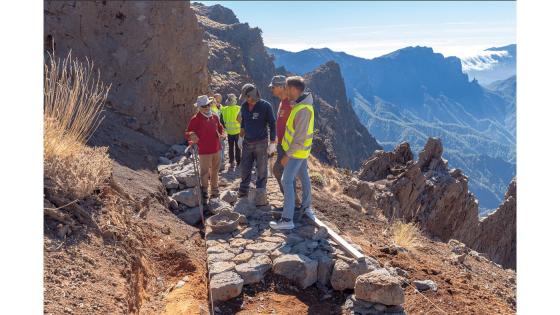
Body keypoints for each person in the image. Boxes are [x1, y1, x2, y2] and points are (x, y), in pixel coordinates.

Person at [270, 76, 314, 230]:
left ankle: (287, 219)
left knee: (286, 180)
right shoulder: (300, 105)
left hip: (296, 152)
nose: (285, 91)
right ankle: (307, 207)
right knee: (304, 176)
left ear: (294, 89)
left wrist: (287, 155)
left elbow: (300, 138)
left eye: (287, 88)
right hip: (301, 152)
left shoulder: (302, 110)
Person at [237, 84, 276, 206]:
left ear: (253, 95)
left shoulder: (265, 106)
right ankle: (243, 191)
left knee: (262, 170)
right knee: (245, 168)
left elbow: (272, 124)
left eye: (247, 97)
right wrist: (240, 137)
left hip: (261, 143)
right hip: (247, 142)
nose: (245, 99)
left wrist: (273, 142)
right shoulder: (243, 106)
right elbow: (243, 123)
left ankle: (260, 193)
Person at [184, 95, 226, 205]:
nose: (207, 107)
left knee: (215, 171)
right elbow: (187, 133)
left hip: (217, 148)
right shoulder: (195, 119)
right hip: (204, 151)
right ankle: (204, 191)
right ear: (199, 107)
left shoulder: (215, 116)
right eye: (204, 106)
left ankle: (215, 191)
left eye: (208, 105)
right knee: (204, 172)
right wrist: (192, 134)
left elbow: (220, 127)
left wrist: (222, 134)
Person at [269, 75, 302, 212]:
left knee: (281, 172)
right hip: (282, 144)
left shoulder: (290, 103)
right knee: (283, 172)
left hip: (288, 146)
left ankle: (292, 204)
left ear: (282, 87)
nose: (271, 89)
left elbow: (297, 125)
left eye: (273, 87)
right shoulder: (283, 102)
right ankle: (293, 202)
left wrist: (290, 150)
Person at [220, 94, 241, 168]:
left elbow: (221, 119)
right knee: (238, 147)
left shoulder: (224, 109)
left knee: (231, 147)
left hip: (229, 132)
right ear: (235, 101)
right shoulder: (239, 108)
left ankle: (231, 162)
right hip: (238, 131)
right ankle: (238, 162)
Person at [212, 93, 226, 171]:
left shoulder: (221, 107)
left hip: (221, 131)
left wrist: (224, 131)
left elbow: (223, 119)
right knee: (217, 148)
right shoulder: (211, 108)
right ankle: (217, 164)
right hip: (214, 132)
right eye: (216, 99)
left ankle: (221, 164)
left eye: (219, 99)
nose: (218, 101)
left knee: (222, 147)